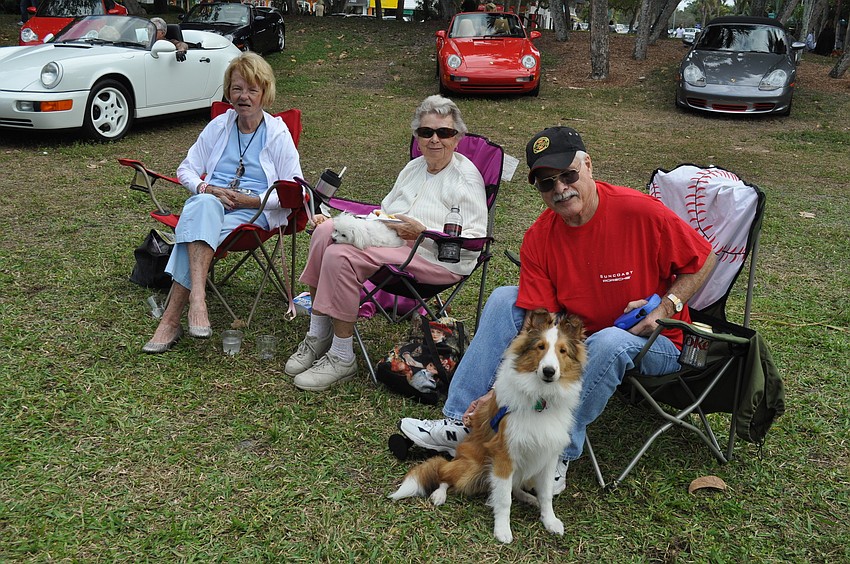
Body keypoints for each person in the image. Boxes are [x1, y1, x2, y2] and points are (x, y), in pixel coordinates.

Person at [399, 126, 716, 493]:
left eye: (568, 175)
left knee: (612, 340)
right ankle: (461, 422)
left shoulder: (639, 211)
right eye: (547, 183)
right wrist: (498, 392)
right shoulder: (539, 236)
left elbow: (705, 258)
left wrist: (666, 306)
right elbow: (535, 328)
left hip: (656, 341)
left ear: (588, 166)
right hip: (576, 338)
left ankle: (557, 453)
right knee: (505, 298)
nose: (560, 189)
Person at [285, 95, 488, 392]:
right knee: (325, 232)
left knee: (341, 256)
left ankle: (342, 357)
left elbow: (471, 245)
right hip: (394, 242)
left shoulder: (466, 180)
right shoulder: (413, 168)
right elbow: (384, 211)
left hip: (436, 259)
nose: (435, 140)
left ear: (457, 138)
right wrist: (348, 221)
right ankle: (318, 333)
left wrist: (423, 233)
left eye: (444, 133)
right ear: (417, 136)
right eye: (426, 132)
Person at [143, 52, 302, 353]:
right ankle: (198, 299)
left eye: (252, 90)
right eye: (237, 88)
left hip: (254, 214)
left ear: (264, 94)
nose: (243, 96)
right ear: (228, 91)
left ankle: (170, 320)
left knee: (193, 229)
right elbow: (186, 169)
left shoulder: (277, 133)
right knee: (203, 205)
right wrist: (207, 187)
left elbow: (295, 191)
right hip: (215, 204)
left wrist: (252, 199)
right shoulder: (219, 126)